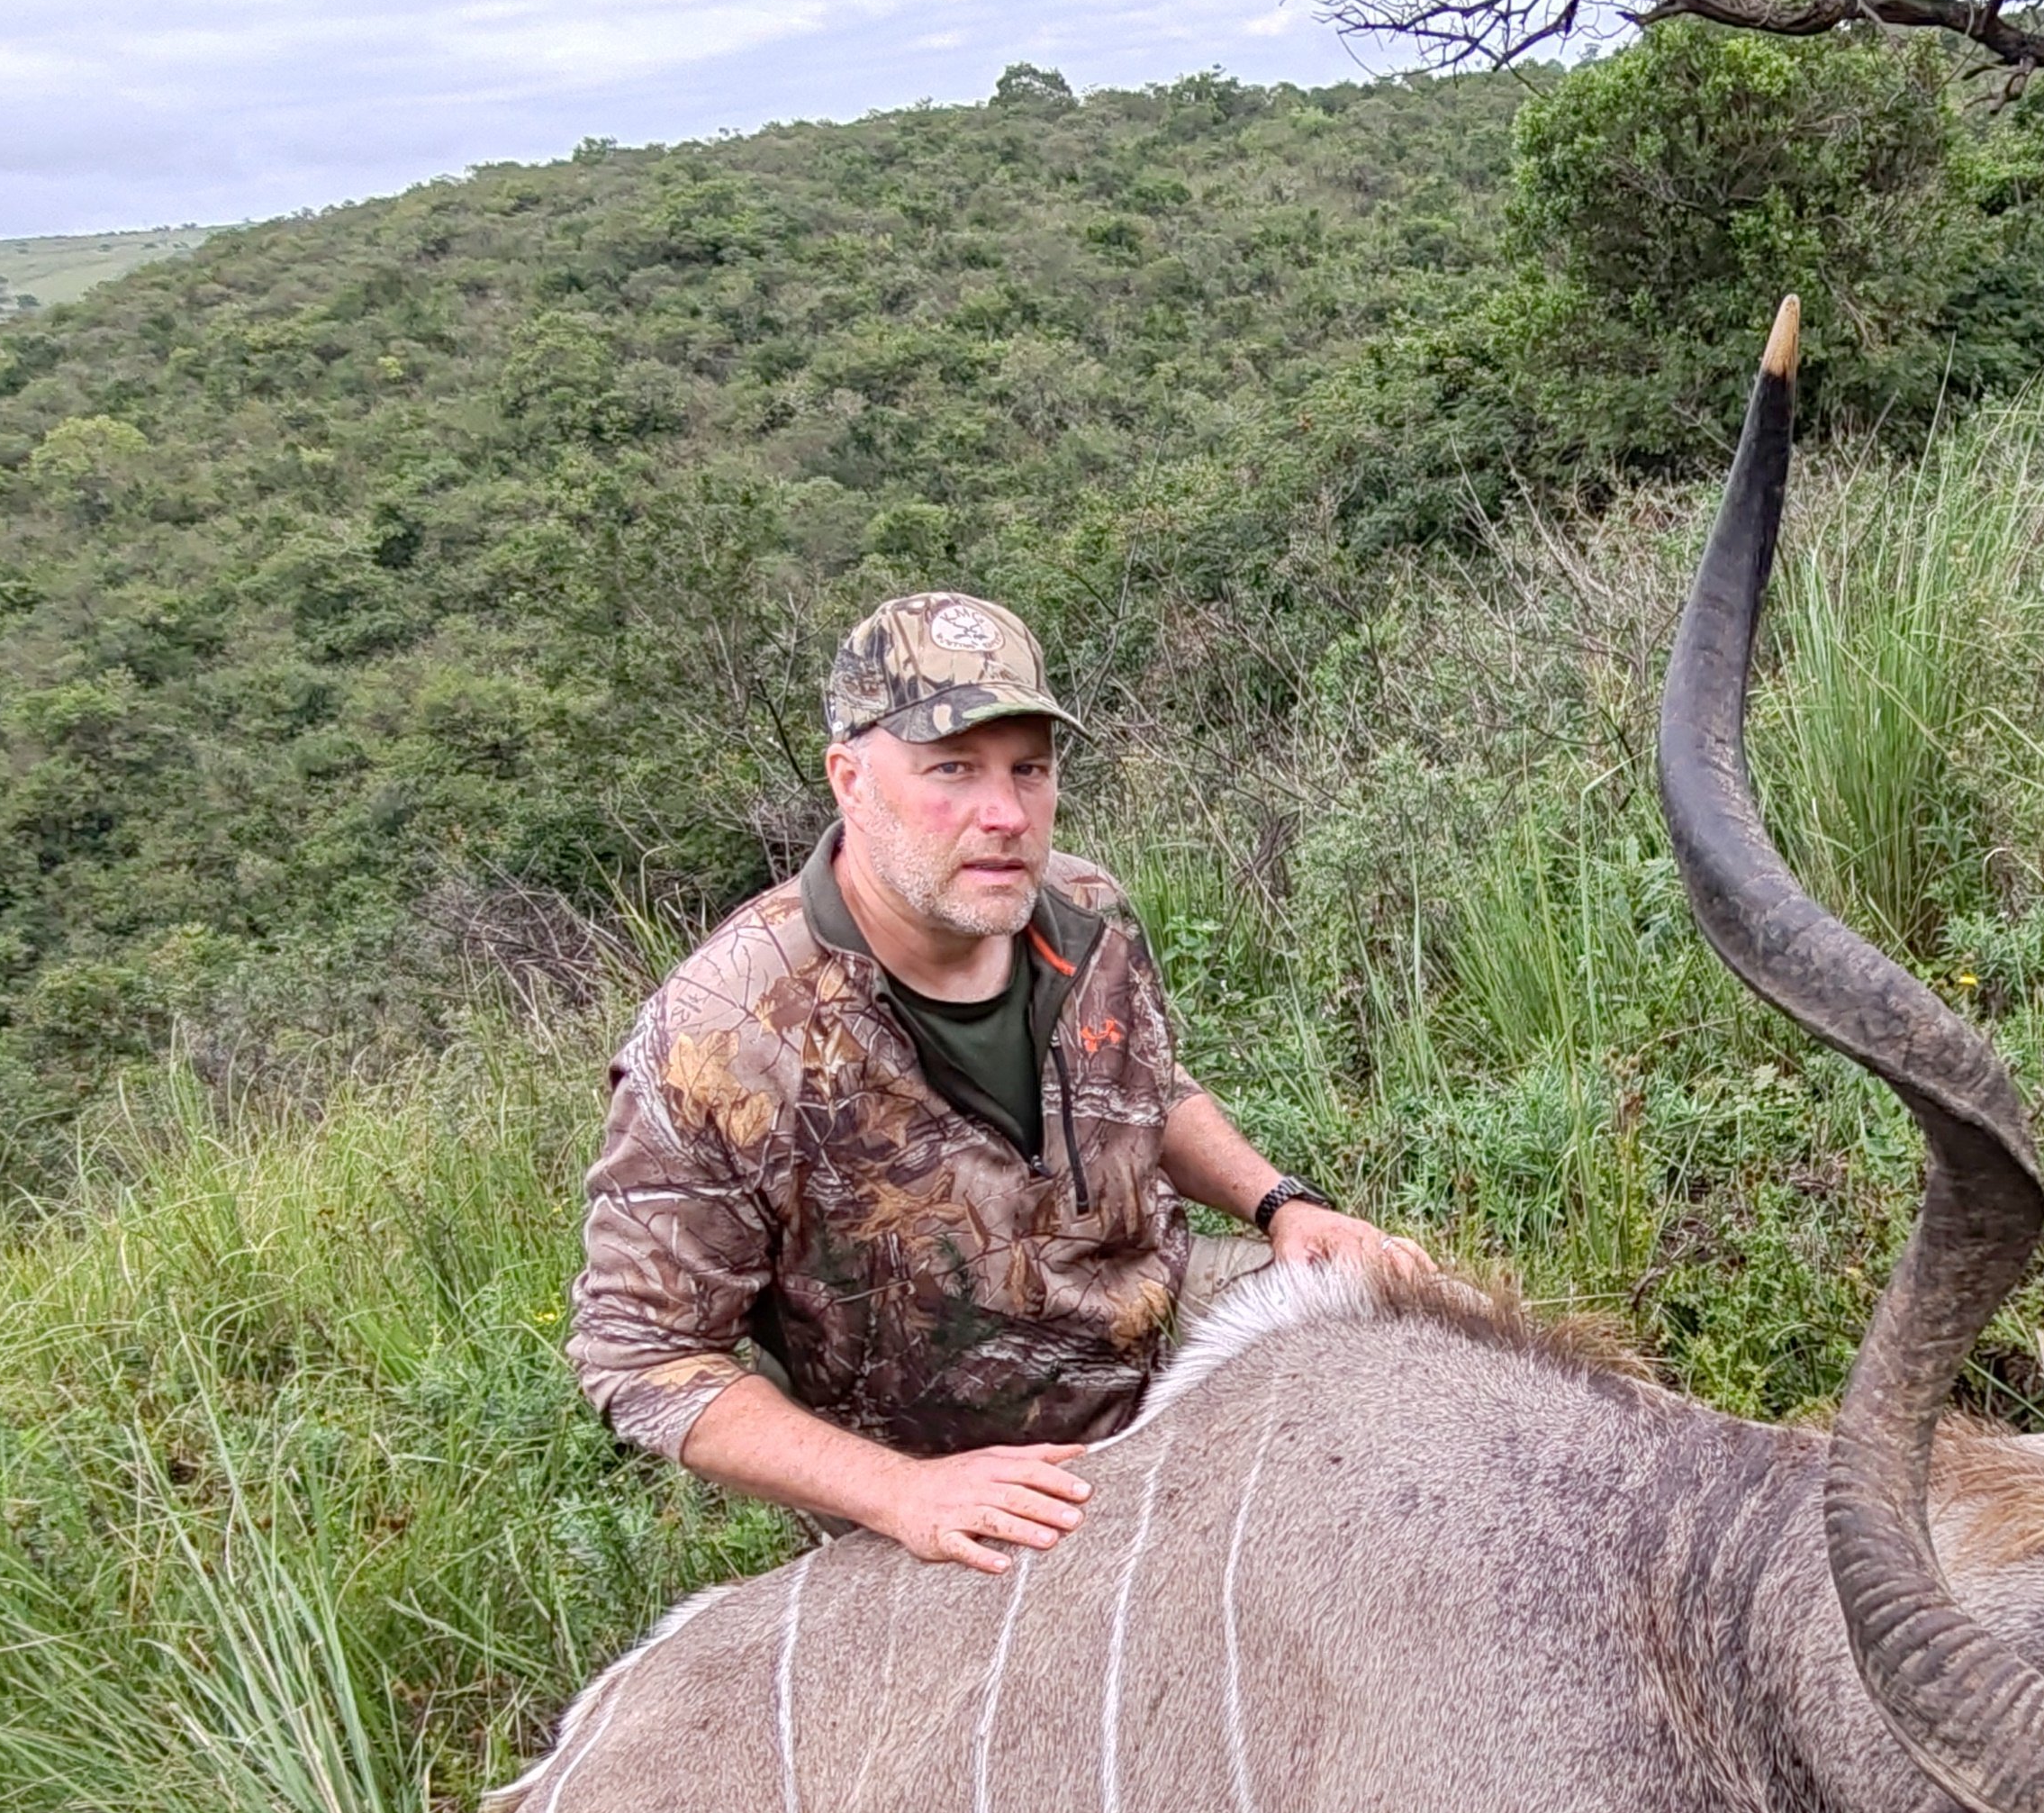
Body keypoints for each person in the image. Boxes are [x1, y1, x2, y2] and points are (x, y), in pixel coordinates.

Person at [566, 590, 1417, 1573]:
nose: (1005, 814)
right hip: (965, 1473)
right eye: (952, 771)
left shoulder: (1085, 911)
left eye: (1030, 770)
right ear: (850, 778)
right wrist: (901, 1492)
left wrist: (1281, 1206)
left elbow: (1145, 1090)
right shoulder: (722, 1034)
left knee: (1399, 1306)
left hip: (1157, 1335)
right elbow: (640, 1355)